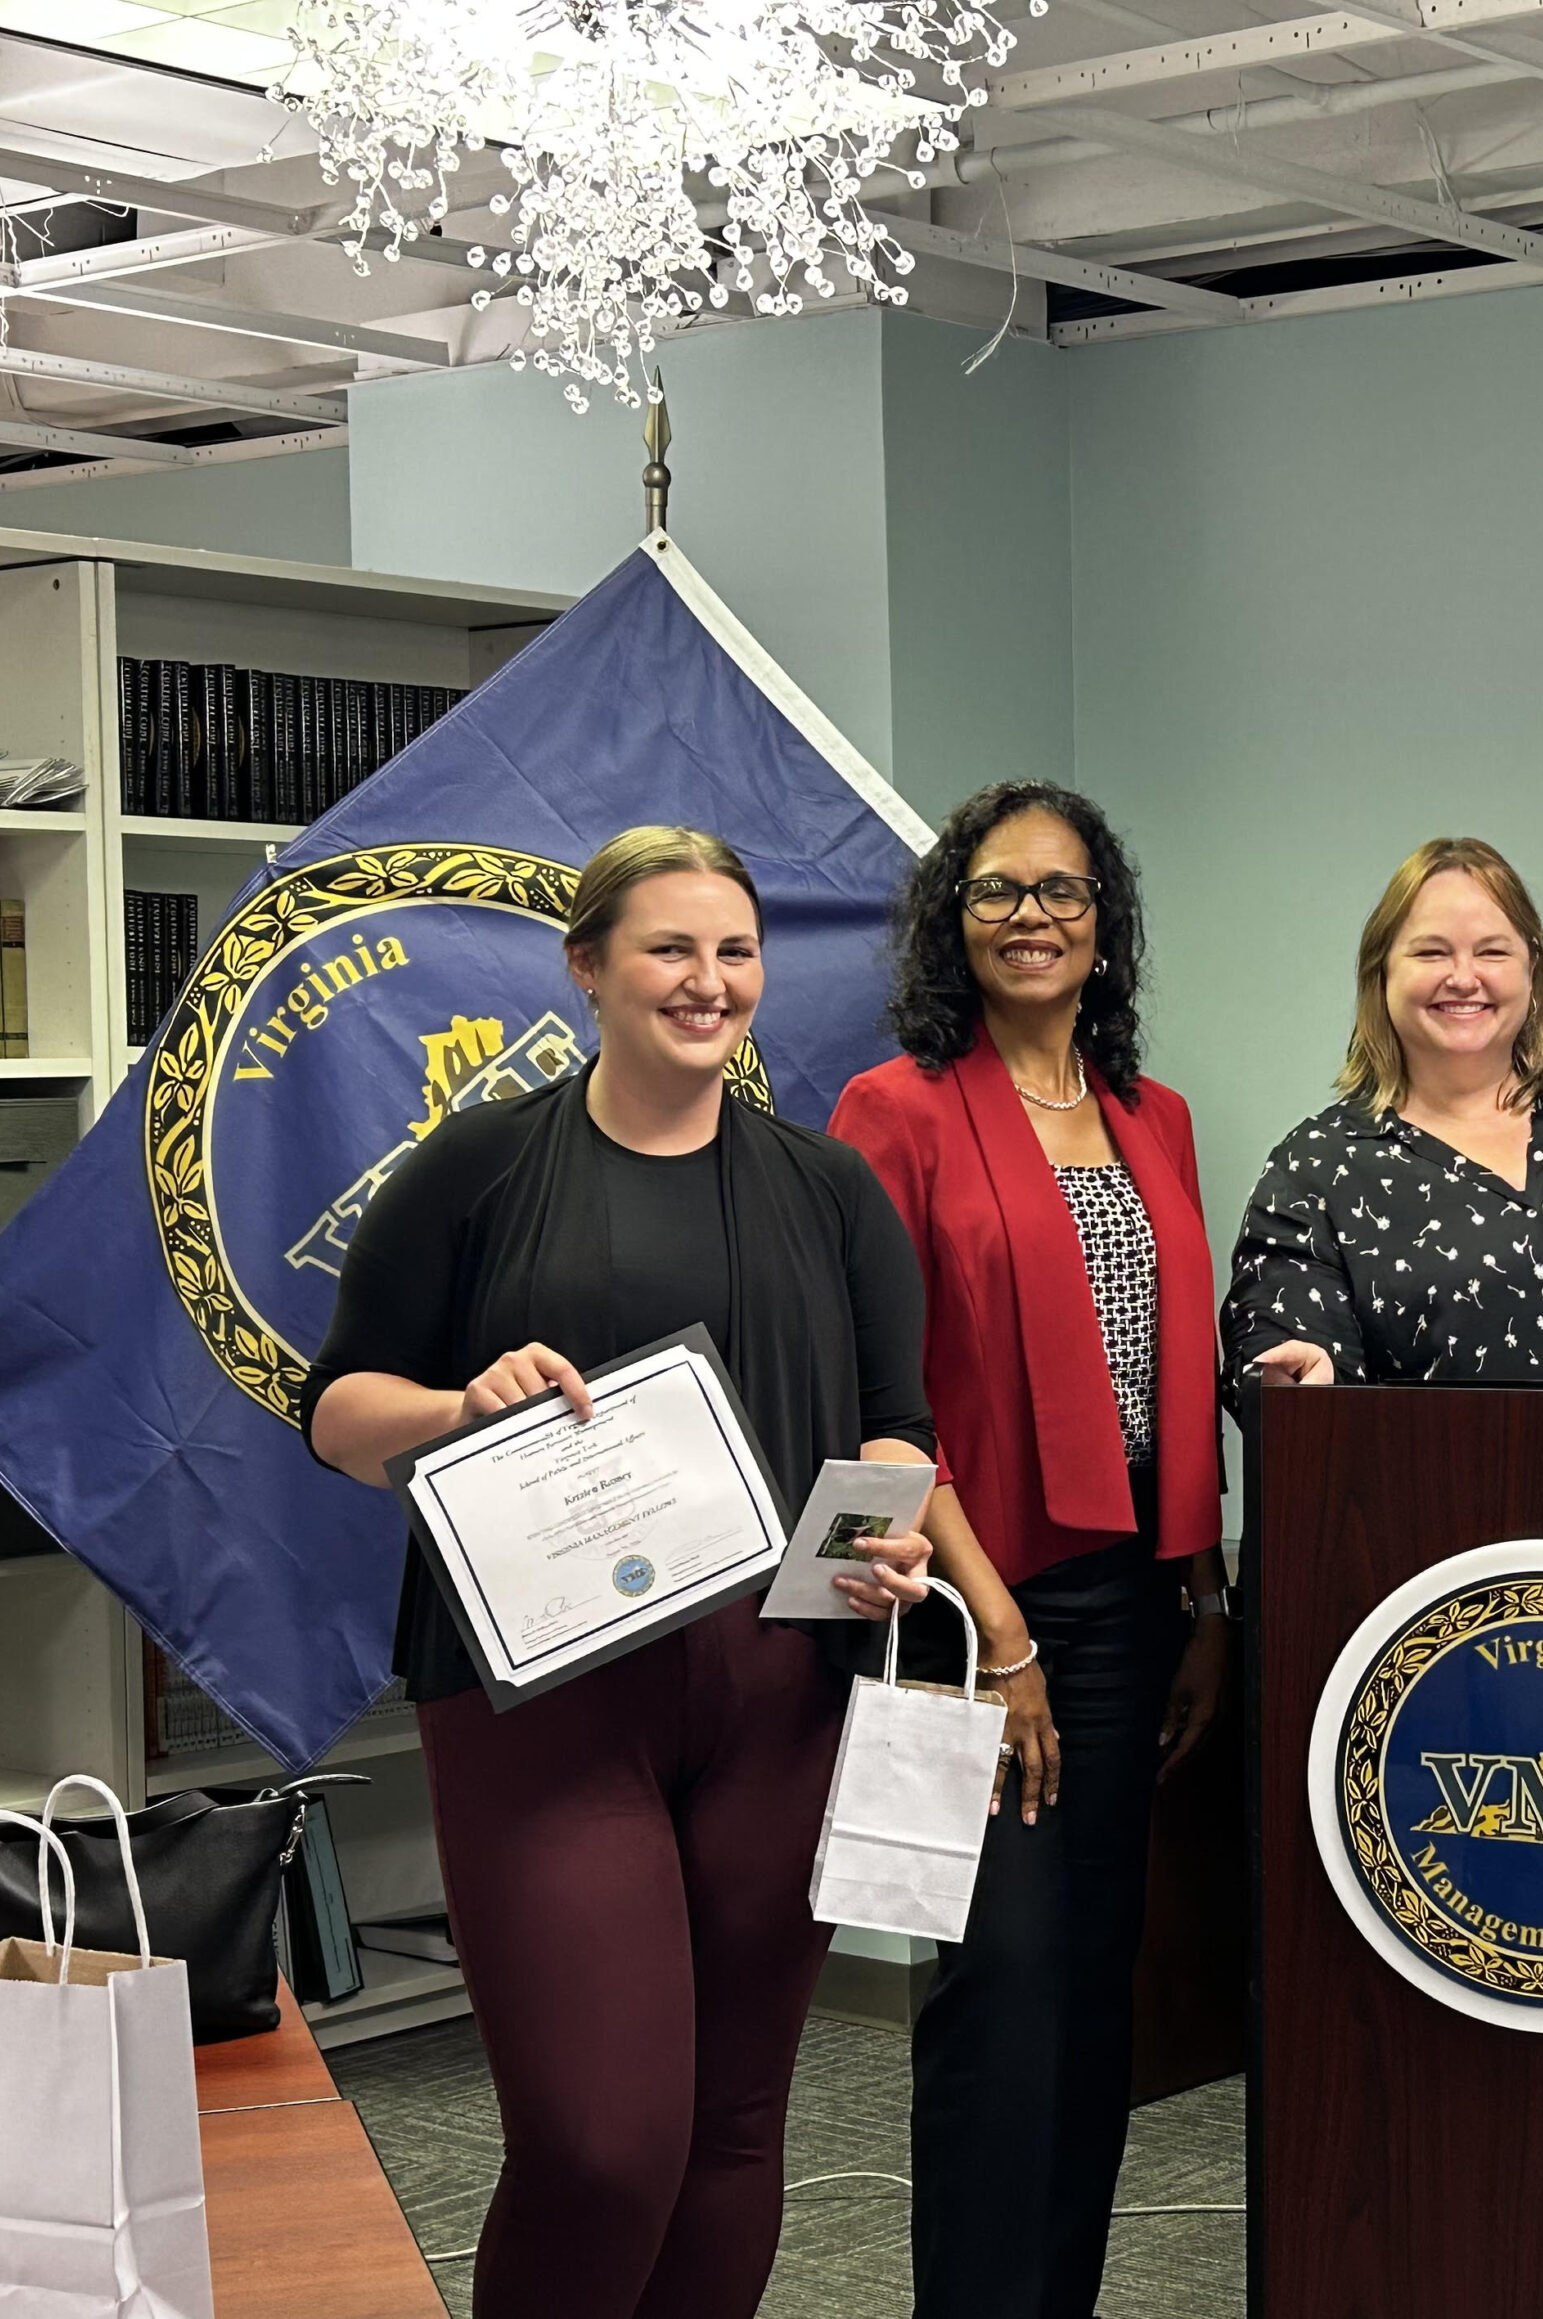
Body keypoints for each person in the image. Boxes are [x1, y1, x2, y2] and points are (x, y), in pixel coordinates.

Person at [302, 826, 937, 2319]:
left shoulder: (830, 1188)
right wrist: (459, 1408)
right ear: (586, 966)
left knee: (730, 2129)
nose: (707, 982)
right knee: (600, 2143)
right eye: (669, 948)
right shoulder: (476, 1166)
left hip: (781, 1693)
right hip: (541, 1708)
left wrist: (874, 1547)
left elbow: (896, 1429)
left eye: (734, 951)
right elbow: (339, 1415)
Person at [828, 781, 1229, 2319]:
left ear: (1104, 922)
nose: (1034, 918)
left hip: (1134, 1608)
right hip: (966, 1614)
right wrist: (1005, 1640)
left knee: (1094, 2008)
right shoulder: (897, 1109)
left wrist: (1201, 1600)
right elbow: (880, 1400)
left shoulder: (1154, 1116)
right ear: (954, 918)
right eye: (999, 892)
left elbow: (1171, 1377)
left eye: (1064, 892)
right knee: (1000, 1996)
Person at [1221, 835, 1543, 1390]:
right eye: (1431, 952)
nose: (1463, 977)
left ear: (1533, 971)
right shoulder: (1315, 1168)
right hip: (1419, 1478)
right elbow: (1281, 1347)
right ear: (1381, 974)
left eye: (1492, 951)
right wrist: (1294, 1376)